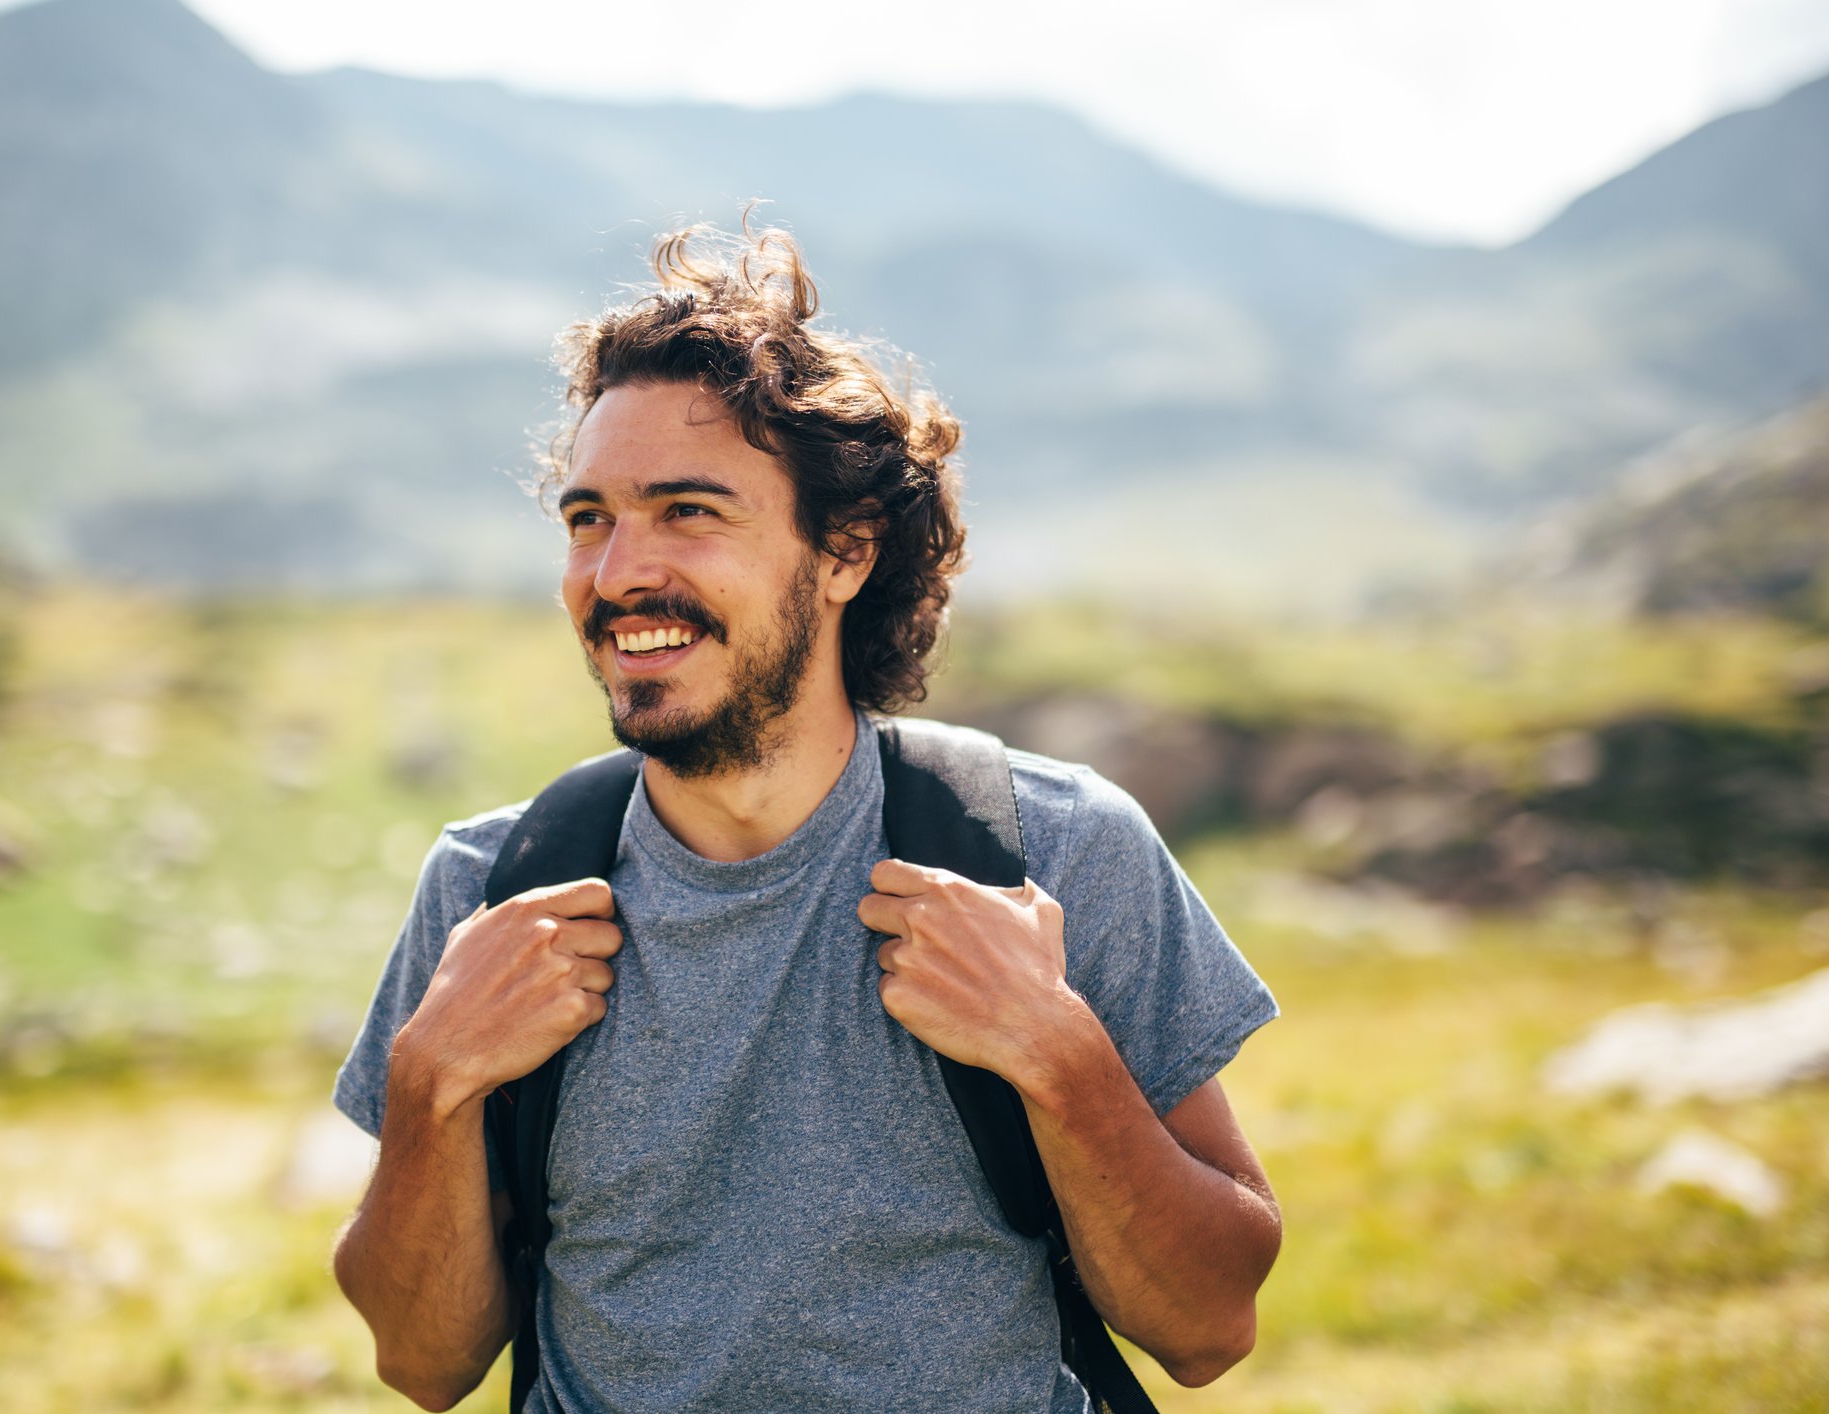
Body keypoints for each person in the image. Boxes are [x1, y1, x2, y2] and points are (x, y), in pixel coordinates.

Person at [329, 221, 1282, 1413]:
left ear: (844, 552)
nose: (618, 571)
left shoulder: (1054, 848)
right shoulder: (492, 890)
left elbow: (1210, 1326)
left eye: (688, 510)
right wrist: (430, 1078)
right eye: (588, 518)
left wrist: (1058, 1051)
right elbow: (421, 1365)